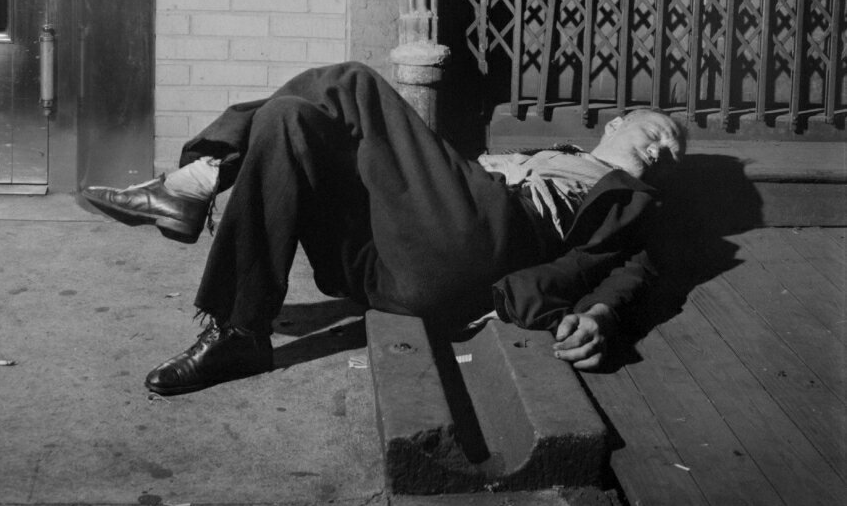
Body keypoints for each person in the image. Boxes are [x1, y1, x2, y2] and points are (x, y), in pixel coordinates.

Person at [83, 61, 685, 396]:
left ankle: (195, 178)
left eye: (672, 155)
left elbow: (641, 269)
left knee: (354, 83)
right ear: (616, 123)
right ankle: (241, 332)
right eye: (656, 134)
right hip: (399, 269)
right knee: (288, 119)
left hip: (486, 238)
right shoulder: (559, 151)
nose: (662, 153)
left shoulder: (632, 202)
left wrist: (602, 315)